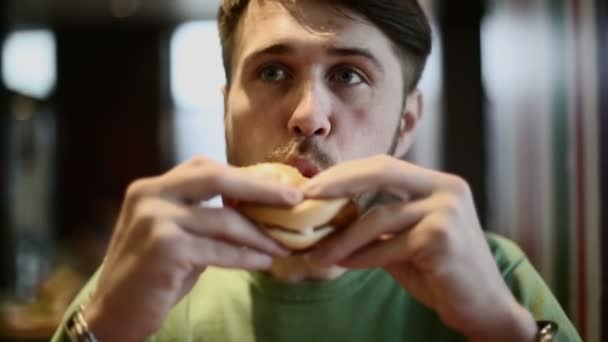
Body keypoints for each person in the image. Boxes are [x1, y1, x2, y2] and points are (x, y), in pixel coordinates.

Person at [52, 0, 581, 341]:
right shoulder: (145, 275)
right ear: (224, 109)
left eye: (349, 75)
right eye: (272, 71)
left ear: (408, 121)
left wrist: (504, 330)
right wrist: (100, 331)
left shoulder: (491, 272)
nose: (307, 116)